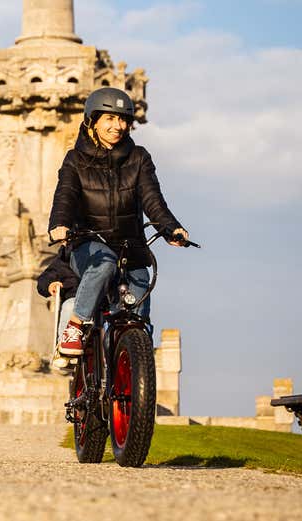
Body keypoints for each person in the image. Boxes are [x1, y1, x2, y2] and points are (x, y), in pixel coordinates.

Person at [48, 87, 188, 357]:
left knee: (138, 302)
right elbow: (64, 197)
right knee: (105, 264)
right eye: (109, 119)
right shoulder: (75, 161)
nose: (118, 126)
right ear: (93, 121)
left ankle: (132, 368)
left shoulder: (139, 158)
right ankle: (75, 326)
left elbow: (152, 199)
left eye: (123, 119)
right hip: (89, 246)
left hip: (130, 247)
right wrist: (59, 225)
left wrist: (170, 228)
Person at [36, 247, 78, 368]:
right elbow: (43, 281)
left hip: (100, 300)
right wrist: (50, 285)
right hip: (73, 297)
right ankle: (62, 348)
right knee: (70, 306)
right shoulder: (64, 261)